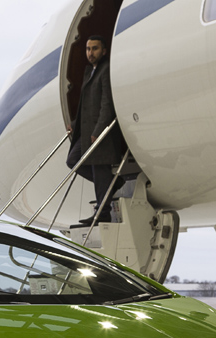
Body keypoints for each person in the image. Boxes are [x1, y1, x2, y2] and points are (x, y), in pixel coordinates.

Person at [66, 35, 120, 223]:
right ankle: (112, 186)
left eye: (95, 49)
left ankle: (102, 212)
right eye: (88, 49)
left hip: (98, 132)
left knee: (100, 170)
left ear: (103, 51)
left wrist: (98, 131)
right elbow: (85, 105)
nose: (90, 53)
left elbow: (107, 104)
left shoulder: (105, 70)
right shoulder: (90, 71)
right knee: (72, 160)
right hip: (87, 130)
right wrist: (74, 125)